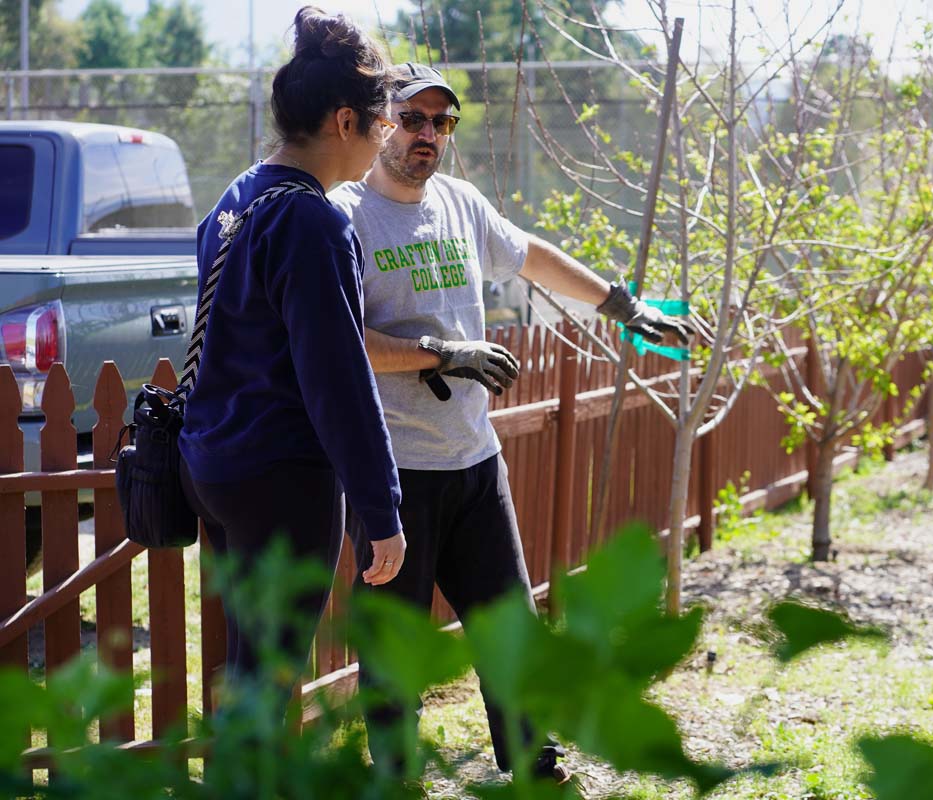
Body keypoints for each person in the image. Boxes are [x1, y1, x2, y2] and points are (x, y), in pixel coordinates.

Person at [329, 62, 690, 782]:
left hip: (473, 461)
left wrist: (624, 307)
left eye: (443, 122)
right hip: (391, 475)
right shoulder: (344, 216)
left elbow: (536, 260)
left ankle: (533, 764)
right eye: (412, 118)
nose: (428, 134)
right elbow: (338, 341)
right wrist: (441, 353)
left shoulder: (460, 204)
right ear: (378, 123)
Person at [179, 7, 407, 697]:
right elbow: (337, 379)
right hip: (281, 479)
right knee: (268, 678)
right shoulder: (311, 219)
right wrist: (382, 510)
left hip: (216, 468)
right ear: (345, 122)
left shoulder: (238, 195)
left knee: (250, 666)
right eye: (384, 122)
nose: (386, 138)